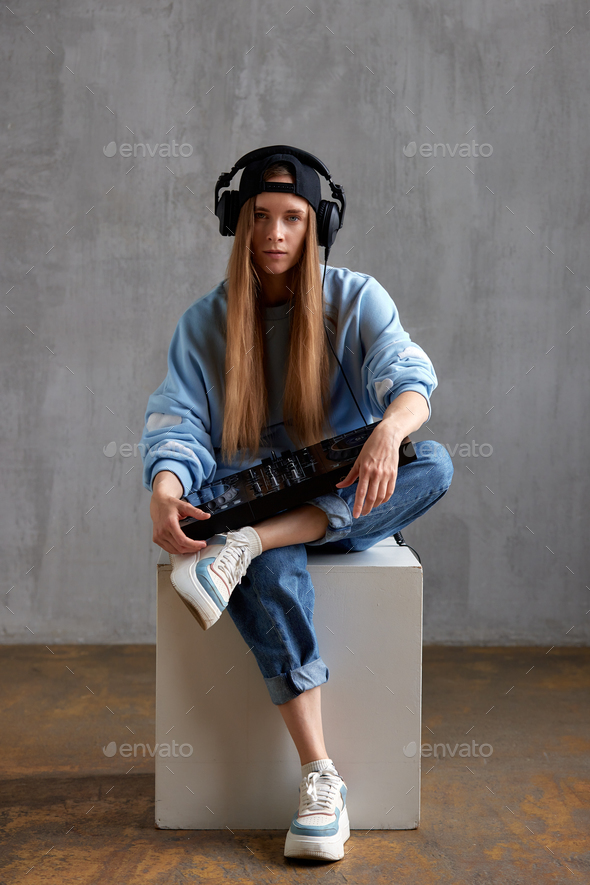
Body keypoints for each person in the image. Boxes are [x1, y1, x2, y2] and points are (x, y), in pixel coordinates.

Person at [140, 146, 453, 862]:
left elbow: (409, 376)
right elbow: (178, 420)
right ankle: (321, 774)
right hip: (243, 493)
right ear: (239, 223)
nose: (276, 233)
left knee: (431, 462)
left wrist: (387, 434)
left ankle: (253, 541)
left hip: (339, 485)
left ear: (318, 226)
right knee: (273, 566)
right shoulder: (206, 322)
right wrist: (165, 486)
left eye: (291, 218)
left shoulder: (356, 297)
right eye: (260, 217)